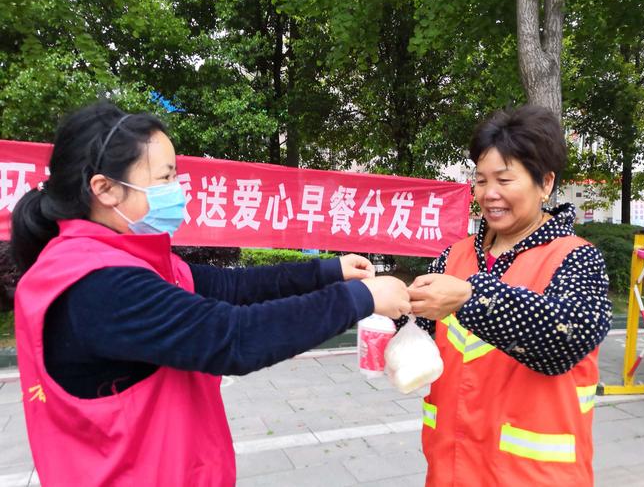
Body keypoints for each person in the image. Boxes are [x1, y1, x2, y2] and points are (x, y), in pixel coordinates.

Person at [11, 101, 411, 487]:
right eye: (165, 178)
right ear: (106, 189)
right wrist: (362, 298)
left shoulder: (121, 261)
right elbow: (234, 338)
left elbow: (232, 287)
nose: (177, 190)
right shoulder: (98, 285)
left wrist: (331, 271)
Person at [402, 105, 612, 486]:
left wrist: (470, 298)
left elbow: (565, 339)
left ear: (545, 183)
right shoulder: (457, 255)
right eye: (480, 181)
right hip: (450, 471)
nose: (489, 194)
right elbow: (423, 327)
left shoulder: (576, 257)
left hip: (533, 476)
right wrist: (384, 305)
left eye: (504, 179)